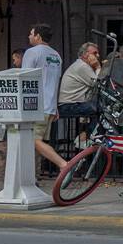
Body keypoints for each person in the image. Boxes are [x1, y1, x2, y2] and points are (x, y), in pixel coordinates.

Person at [20, 24, 66, 176]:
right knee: (38, 144)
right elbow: (56, 81)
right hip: (50, 106)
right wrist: (55, 106)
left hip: (36, 105)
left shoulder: (32, 52)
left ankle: (63, 165)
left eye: (31, 33)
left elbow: (25, 78)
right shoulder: (56, 55)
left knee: (33, 140)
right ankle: (33, 177)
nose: (29, 36)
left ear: (38, 36)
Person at [58, 43, 102, 124]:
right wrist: (98, 67)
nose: (98, 56)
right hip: (69, 106)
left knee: (94, 106)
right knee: (101, 108)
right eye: (95, 53)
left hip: (72, 104)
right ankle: (92, 135)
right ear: (85, 54)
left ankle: (84, 134)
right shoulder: (83, 66)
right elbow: (98, 85)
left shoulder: (81, 65)